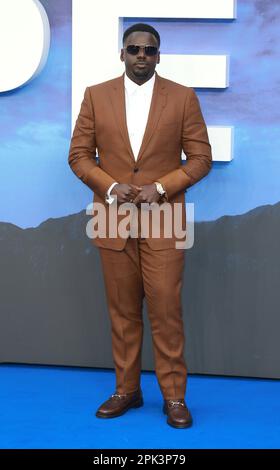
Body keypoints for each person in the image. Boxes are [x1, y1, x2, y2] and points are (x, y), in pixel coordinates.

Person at [68, 23, 212, 428]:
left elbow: (200, 158)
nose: (141, 56)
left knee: (167, 310)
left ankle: (175, 397)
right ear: (122, 54)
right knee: (122, 312)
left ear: (159, 56)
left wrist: (162, 187)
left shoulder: (182, 98)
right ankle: (126, 391)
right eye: (134, 49)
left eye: (149, 50)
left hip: (166, 216)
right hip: (111, 215)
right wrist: (113, 186)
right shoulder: (96, 96)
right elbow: (79, 155)